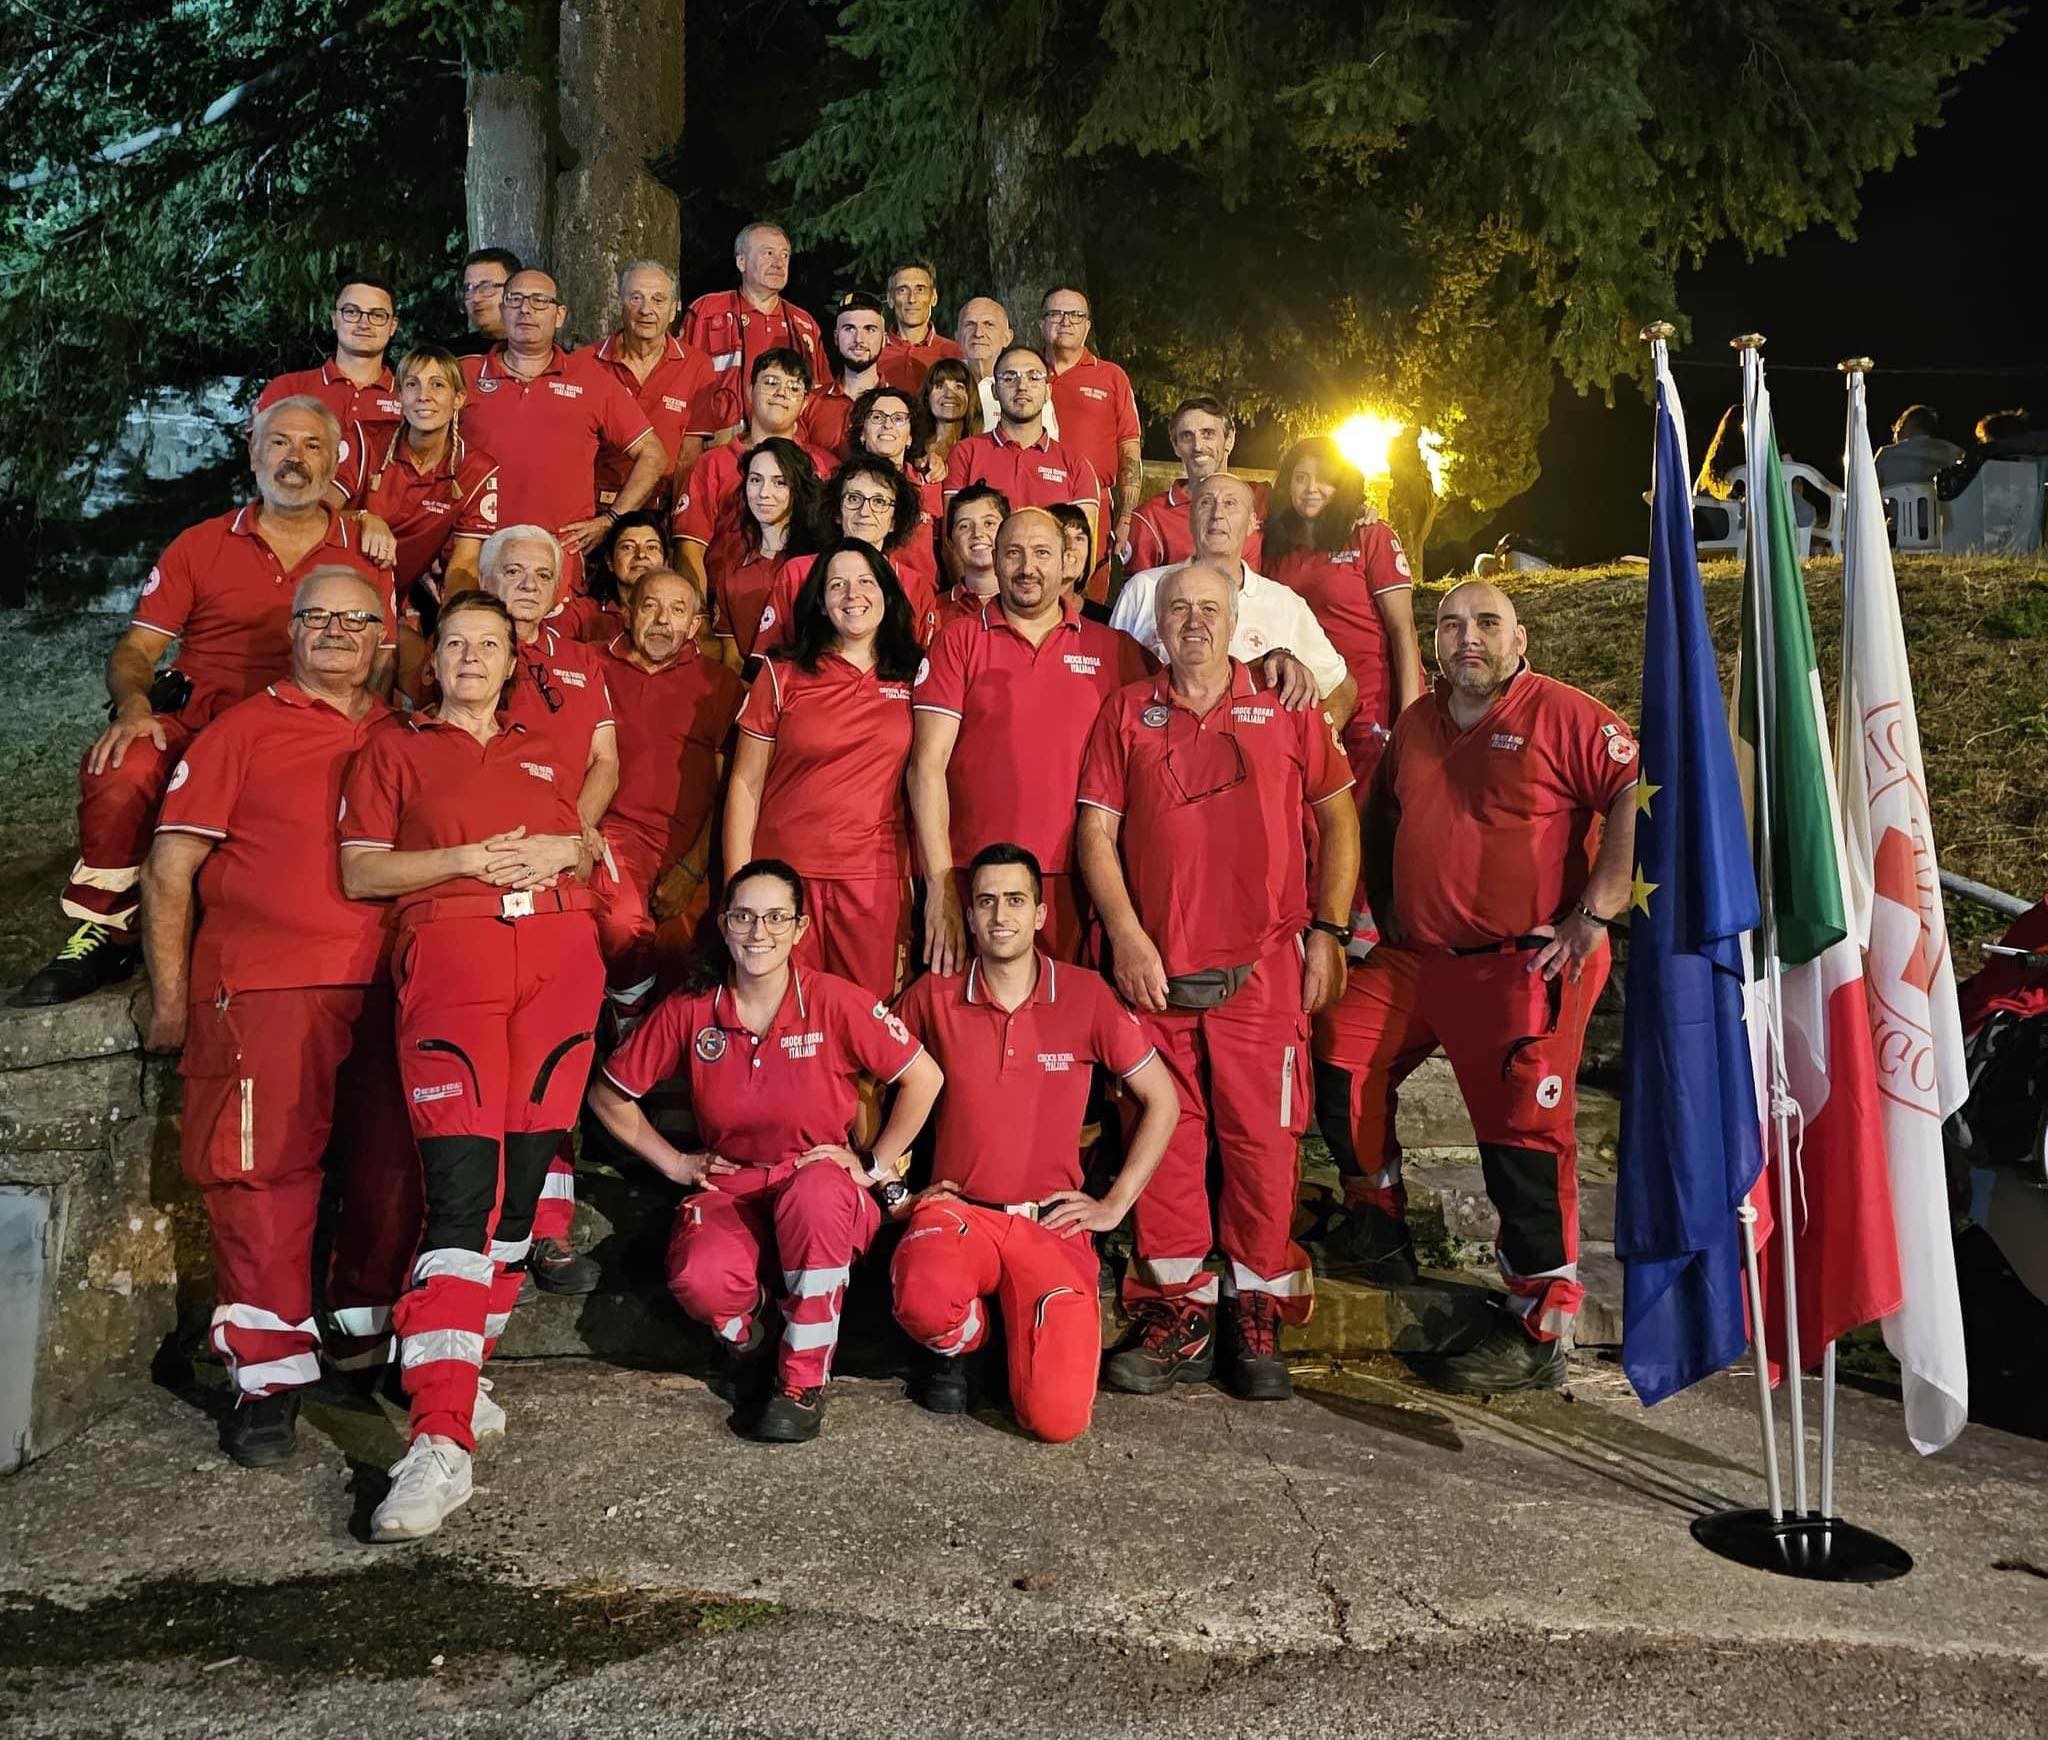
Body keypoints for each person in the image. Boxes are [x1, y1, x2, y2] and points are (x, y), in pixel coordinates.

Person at [1316, 581, 1637, 1393]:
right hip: (1422, 957)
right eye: (1452, 624)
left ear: (1518, 639)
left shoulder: (1564, 715)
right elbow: (1382, 813)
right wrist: (1385, 903)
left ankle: (1540, 1323)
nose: (1469, 637)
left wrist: (1595, 911)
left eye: (1487, 623)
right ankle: (1376, 1221)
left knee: (1525, 1138)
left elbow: (1636, 789)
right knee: (1339, 1046)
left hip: (1521, 965)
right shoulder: (1419, 722)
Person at [339, 590, 605, 1540]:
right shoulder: (395, 748)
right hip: (455, 961)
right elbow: (362, 870)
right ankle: (437, 1438)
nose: (470, 658)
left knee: (519, 1197)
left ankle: (462, 1369)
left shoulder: (545, 750)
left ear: (512, 660)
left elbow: (585, 852)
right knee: (461, 1193)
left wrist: (570, 845)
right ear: (434, 658)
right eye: (454, 643)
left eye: (488, 644)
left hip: (558, 966)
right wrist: (464, 858)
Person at [142, 568, 414, 1466]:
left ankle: (359, 1340)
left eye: (355, 619)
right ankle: (266, 1377)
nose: (336, 631)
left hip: (393, 986)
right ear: (292, 632)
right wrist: (172, 1000)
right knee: (261, 1175)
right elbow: (171, 869)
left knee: (395, 1165)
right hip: (266, 987)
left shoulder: (406, 732)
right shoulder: (241, 732)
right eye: (317, 617)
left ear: (383, 638)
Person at [1077, 563, 1359, 1402]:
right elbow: (1096, 832)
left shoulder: (1284, 703)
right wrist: (1127, 936)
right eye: (1178, 609)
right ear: (1157, 623)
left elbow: (1338, 816)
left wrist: (1329, 932)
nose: (1194, 621)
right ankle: (1178, 1309)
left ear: (1239, 621)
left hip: (1263, 969)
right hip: (1156, 972)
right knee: (1163, 1137)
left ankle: (1256, 1305)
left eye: (1210, 608)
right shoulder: (1126, 710)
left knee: (1263, 1141)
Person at [14, 398, 393, 1008]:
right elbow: (137, 649)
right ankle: (106, 927)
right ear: (254, 453)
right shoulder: (201, 544)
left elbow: (383, 657)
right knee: (127, 764)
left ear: (334, 462)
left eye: (312, 446)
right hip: (203, 720)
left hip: (306, 725)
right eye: (279, 442)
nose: (294, 459)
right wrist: (134, 709)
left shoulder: (364, 553)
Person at [589, 858, 943, 1442]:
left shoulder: (833, 1000)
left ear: (800, 928)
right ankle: (755, 1340)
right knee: (699, 1278)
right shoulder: (691, 1007)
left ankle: (802, 1384)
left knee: (818, 1192)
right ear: (723, 924)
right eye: (745, 917)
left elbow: (924, 1078)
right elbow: (609, 1096)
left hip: (818, 1180)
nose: (760, 932)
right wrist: (674, 1162)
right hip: (733, 1182)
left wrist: (873, 1164)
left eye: (777, 917)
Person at [891, 844, 1178, 1440]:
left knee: (1058, 1422)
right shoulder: (934, 994)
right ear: (969, 916)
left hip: (1050, 1222)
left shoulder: (1086, 994)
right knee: (923, 1296)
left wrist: (1114, 1204)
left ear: (1041, 914)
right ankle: (969, 1342)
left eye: (1016, 900)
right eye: (986, 901)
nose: (1001, 915)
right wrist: (888, 1179)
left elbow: (1163, 1100)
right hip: (960, 1212)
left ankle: (1016, 1344)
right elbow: (867, 1079)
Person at [910, 506, 1150, 972]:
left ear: (1067, 561)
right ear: (995, 560)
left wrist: (1272, 663)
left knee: (1065, 1010)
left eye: (1041, 553)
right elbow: (926, 767)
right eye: (1013, 553)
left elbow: (1195, 683)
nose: (1027, 567)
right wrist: (940, 887)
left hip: (1077, 881)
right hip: (977, 876)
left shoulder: (1111, 648)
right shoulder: (959, 641)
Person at [476, 525, 621, 1293]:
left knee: (556, 1051)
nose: (528, 584)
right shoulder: (464, 650)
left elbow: (605, 762)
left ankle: (548, 1224)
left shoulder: (583, 661)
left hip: (563, 866)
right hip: (484, 869)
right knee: (492, 1056)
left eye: (542, 574)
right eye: (513, 571)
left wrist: (569, 837)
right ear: (485, 578)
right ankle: (487, 1221)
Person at [723, 542, 920, 1001]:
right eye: (837, 585)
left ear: (887, 594)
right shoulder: (782, 674)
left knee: (868, 1017)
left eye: (866, 582)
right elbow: (745, 783)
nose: (853, 595)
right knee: (782, 1011)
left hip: (875, 880)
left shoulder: (916, 677)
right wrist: (739, 887)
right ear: (820, 602)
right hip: (785, 878)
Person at [460, 269, 665, 599]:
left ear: (559, 316)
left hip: (558, 561)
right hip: (475, 555)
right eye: (516, 299)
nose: (526, 309)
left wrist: (611, 519)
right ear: (502, 310)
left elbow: (653, 454)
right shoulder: (464, 375)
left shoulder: (591, 380)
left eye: (539, 301)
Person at [593, 568, 744, 1010]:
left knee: (688, 965)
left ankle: (649, 1030)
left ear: (694, 625)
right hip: (616, 836)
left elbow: (731, 787)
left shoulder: (720, 684)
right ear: (627, 614)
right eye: (650, 606)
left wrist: (693, 868)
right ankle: (626, 1022)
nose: (662, 620)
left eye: (677, 610)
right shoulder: (591, 667)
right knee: (621, 925)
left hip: (692, 846)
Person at [1111, 474, 1355, 726]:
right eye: (1206, 503)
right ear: (1191, 519)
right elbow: (1110, 680)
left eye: (1230, 503)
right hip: (1159, 745)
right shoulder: (1144, 589)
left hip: (1253, 750)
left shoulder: (1285, 605)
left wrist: (1311, 743)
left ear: (1252, 523)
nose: (1217, 514)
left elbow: (1340, 688)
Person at [1261, 434, 1423, 788]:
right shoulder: (1273, 545)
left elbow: (1403, 629)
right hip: (1304, 698)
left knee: (1369, 807)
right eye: (1301, 478)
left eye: (1324, 479)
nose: (1311, 489)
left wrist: (1410, 716)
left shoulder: (1369, 535)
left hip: (1370, 700)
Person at [334, 346, 499, 612]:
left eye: (437, 385)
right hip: (333, 587)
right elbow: (313, 515)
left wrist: (455, 621)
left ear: (458, 398)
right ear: (400, 395)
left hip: (393, 603)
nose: (424, 396)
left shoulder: (476, 469)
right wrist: (363, 518)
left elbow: (464, 564)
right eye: (412, 384)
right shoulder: (363, 440)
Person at [670, 349, 835, 591]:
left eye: (793, 387)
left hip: (802, 601)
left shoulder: (824, 465)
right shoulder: (712, 464)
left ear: (805, 403)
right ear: (749, 392)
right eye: (770, 382)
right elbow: (690, 549)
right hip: (726, 604)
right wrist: (699, 608)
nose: (781, 393)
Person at [576, 260, 721, 515]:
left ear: (673, 310)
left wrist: (679, 521)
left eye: (658, 300)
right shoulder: (584, 363)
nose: (646, 310)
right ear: (619, 304)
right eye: (636, 298)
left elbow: (688, 456)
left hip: (659, 510)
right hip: (594, 508)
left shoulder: (696, 365)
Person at [755, 458, 939, 650]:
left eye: (879, 502)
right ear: (837, 512)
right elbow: (767, 655)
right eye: (853, 499)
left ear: (894, 521)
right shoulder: (797, 573)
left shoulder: (917, 587)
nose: (865, 512)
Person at [944, 344, 1100, 553]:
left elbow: (1082, 552)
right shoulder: (965, 453)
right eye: (1009, 378)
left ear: (1047, 391)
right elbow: (951, 542)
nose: (1022, 386)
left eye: (1033, 377)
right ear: (994, 391)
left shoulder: (1076, 465)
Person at [680, 222, 826, 436]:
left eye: (785, 255)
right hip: (720, 443)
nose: (779, 263)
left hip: (787, 447)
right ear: (741, 261)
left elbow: (820, 396)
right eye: (768, 253)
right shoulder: (706, 311)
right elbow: (678, 381)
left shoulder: (804, 324)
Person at [1039, 287, 1141, 567]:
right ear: (1041, 323)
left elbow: (1129, 450)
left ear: (1087, 325)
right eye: (1056, 314)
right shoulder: (1026, 372)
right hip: (1033, 503)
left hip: (1092, 508)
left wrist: (1125, 518)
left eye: (1075, 315)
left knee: (1086, 588)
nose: (1066, 321)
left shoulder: (1111, 376)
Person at [256, 273, 405, 459]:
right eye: (352, 312)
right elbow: (264, 461)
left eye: (377, 315)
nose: (364, 324)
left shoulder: (411, 397)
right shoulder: (287, 389)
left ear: (392, 326)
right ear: (335, 319)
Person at [707, 438, 823, 667]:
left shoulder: (819, 560)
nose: (763, 493)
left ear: (798, 489)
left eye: (779, 482)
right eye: (755, 480)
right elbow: (731, 655)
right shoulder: (732, 557)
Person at [1125, 396, 1264, 572]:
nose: (1198, 446)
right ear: (1176, 446)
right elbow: (1139, 586)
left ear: (1229, 439)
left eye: (1208, 434)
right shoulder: (1150, 518)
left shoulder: (1261, 498)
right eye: (1187, 436)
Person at [550, 509, 668, 646]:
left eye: (651, 547)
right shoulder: (583, 614)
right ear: (610, 561)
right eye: (628, 547)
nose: (641, 554)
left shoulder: (679, 615)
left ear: (665, 562)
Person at [797, 291, 890, 460]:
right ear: (836, 337)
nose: (859, 339)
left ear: (884, 339)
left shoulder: (899, 406)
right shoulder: (809, 403)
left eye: (869, 329)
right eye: (849, 329)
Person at [956, 298, 1058, 438]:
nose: (978, 333)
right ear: (957, 336)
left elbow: (1046, 443)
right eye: (969, 324)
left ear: (1007, 337)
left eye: (989, 324)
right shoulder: (943, 381)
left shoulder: (1029, 388)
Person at [879, 260, 962, 391]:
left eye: (920, 289)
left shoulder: (955, 353)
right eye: (902, 290)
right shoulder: (873, 350)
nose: (912, 299)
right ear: (890, 299)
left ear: (933, 297)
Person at [935, 483, 1008, 623]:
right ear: (950, 541)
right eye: (964, 526)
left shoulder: (1028, 603)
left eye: (989, 523)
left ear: (1008, 532)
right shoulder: (934, 610)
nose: (977, 533)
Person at [1873, 404, 1964, 488]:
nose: (1894, 437)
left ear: (1907, 425)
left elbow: (1868, 489)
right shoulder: (1955, 453)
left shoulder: (1885, 455)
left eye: (1897, 428)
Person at [453, 247, 520, 354]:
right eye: (469, 289)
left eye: (486, 287)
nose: (476, 298)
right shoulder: (450, 357)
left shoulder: (539, 350)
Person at [921, 356, 981, 473]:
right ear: (927, 397)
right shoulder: (910, 447)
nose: (949, 394)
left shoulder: (982, 449)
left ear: (970, 397)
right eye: (939, 386)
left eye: (959, 387)